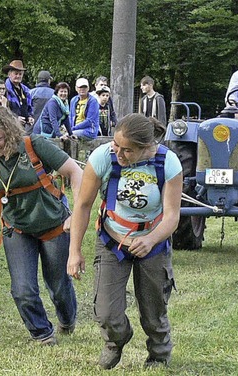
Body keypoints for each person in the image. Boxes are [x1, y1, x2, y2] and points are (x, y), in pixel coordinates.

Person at [0, 106, 83, 346]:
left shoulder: (34, 145)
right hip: (17, 228)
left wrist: (75, 214)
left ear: (10, 133)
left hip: (54, 225)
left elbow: (75, 173)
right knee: (23, 289)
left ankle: (67, 319)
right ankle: (42, 333)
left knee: (58, 285)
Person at [67, 113, 182, 369]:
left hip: (154, 243)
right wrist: (74, 251)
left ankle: (159, 354)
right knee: (106, 312)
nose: (118, 153)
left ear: (146, 148)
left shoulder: (168, 163)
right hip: (113, 241)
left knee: (154, 310)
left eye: (127, 150)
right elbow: (83, 206)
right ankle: (116, 341)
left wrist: (151, 240)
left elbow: (172, 216)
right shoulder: (102, 158)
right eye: (116, 145)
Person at [3, 60, 34, 133]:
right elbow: (3, 111)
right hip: (8, 128)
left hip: (22, 129)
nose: (18, 76)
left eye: (20, 74)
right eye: (16, 74)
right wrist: (15, 118)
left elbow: (30, 107)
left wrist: (30, 117)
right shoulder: (4, 89)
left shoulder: (26, 90)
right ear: (9, 74)